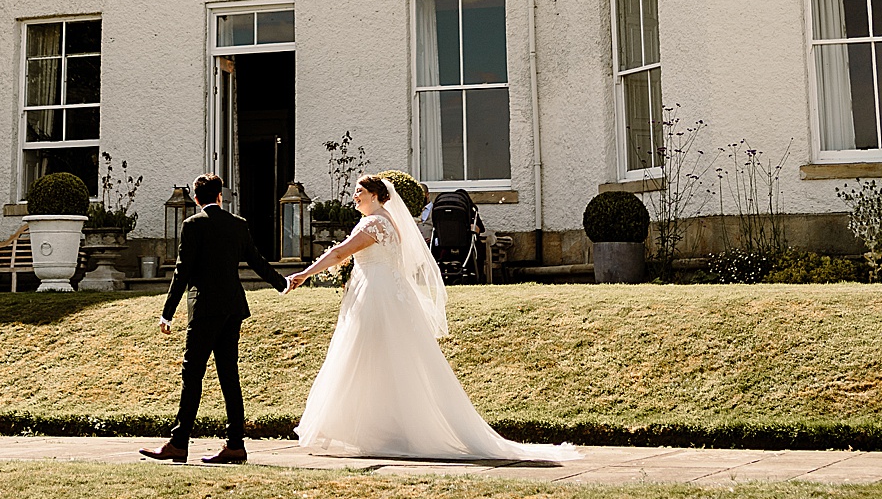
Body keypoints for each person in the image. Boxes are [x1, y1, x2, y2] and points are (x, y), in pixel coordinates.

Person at [284, 175, 580, 463]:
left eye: (359, 191)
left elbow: (340, 253)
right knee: (384, 361)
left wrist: (304, 273)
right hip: (384, 292)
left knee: (363, 356)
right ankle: (385, 429)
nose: (354, 196)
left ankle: (380, 430)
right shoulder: (389, 221)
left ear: (375, 195)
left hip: (376, 296)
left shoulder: (374, 222)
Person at [140, 173, 289, 465]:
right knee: (229, 376)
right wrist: (282, 283)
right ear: (220, 196)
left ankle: (179, 443)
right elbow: (257, 261)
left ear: (197, 199)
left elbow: (182, 271)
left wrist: (167, 313)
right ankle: (235, 445)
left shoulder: (193, 225)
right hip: (233, 308)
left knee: (192, 374)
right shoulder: (238, 224)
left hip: (205, 308)